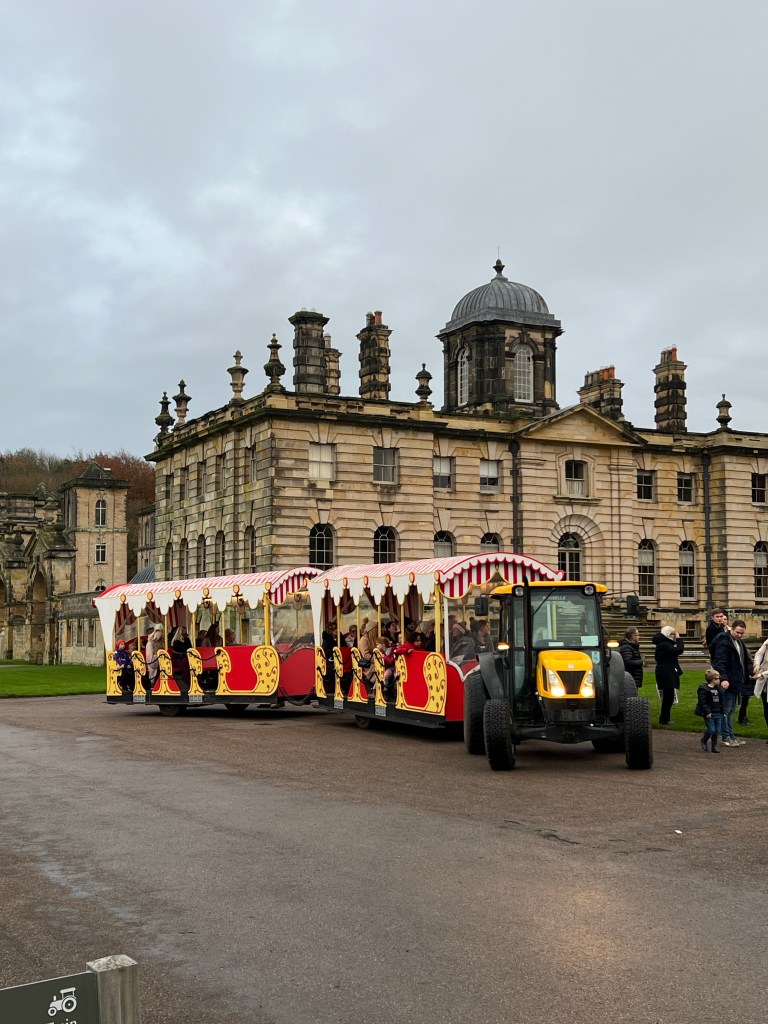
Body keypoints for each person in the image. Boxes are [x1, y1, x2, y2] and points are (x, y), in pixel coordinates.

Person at [710, 619, 751, 747]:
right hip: (729, 680)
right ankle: (726, 736)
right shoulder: (724, 642)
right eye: (738, 632)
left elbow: (745, 659)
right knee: (726, 710)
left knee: (731, 709)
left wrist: (751, 671)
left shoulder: (738, 642)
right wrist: (724, 679)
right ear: (732, 629)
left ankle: (730, 735)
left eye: (741, 633)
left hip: (736, 680)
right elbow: (719, 662)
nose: (739, 635)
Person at [652, 625, 684, 726]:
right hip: (665, 672)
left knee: (669, 696)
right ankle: (664, 719)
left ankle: (665, 718)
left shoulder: (664, 643)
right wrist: (679, 639)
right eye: (672, 634)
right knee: (668, 697)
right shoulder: (664, 644)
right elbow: (679, 650)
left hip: (667, 671)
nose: (674, 636)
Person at [696, 668, 725, 753]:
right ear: (713, 680)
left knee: (717, 731)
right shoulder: (704, 689)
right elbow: (702, 702)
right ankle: (704, 740)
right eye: (718, 678)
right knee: (711, 729)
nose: (720, 679)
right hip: (710, 713)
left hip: (718, 712)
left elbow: (721, 701)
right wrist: (707, 711)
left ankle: (714, 746)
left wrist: (722, 711)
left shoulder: (718, 689)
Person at [752, 637, 768, 743]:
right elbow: (759, 653)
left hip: (764, 675)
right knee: (767, 708)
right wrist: (757, 664)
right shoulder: (767, 642)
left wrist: (762, 674)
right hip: (765, 682)